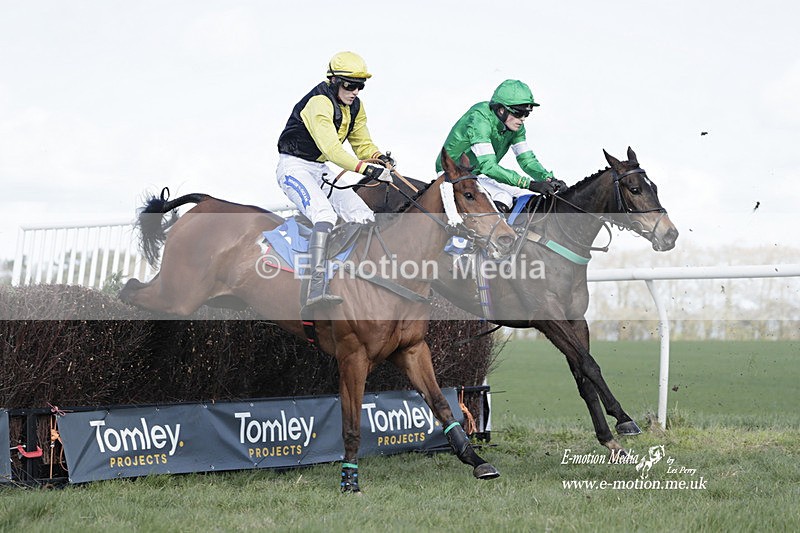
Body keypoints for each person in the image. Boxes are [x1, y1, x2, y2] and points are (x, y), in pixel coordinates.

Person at [277, 51, 395, 310]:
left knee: (364, 216)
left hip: (320, 169)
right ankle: (314, 288)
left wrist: (377, 158)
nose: (355, 91)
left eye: (360, 86)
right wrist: (367, 170)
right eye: (350, 85)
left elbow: (362, 144)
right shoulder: (319, 102)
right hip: (294, 168)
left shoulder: (355, 106)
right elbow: (332, 149)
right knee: (324, 215)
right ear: (333, 81)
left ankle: (350, 279)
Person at [436, 79, 565, 212]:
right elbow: (489, 166)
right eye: (518, 113)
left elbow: (527, 160)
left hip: (476, 174)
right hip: (452, 174)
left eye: (526, 113)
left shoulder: (516, 126)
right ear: (501, 110)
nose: (523, 119)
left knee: (523, 195)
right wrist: (529, 183)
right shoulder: (479, 119)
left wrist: (548, 179)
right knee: (503, 197)